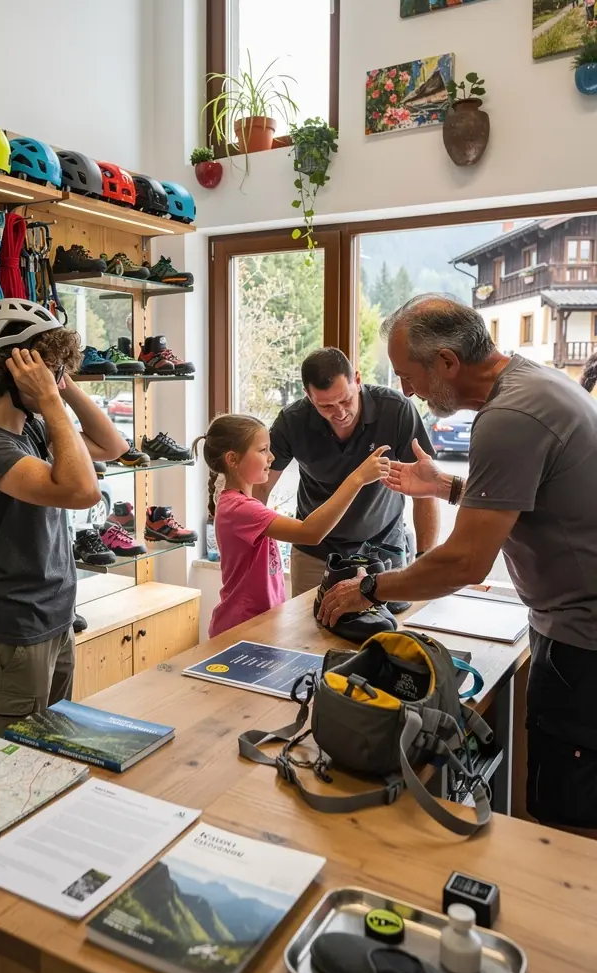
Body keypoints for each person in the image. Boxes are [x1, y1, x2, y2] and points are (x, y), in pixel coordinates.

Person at [318, 294, 597, 834]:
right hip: (573, 629)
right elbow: (532, 498)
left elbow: (467, 561)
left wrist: (368, 588)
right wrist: (446, 486)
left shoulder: (509, 416)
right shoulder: (533, 383)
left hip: (582, 644)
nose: (404, 390)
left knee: (569, 823)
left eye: (408, 375)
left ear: (446, 361)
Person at [0, 299, 127, 739]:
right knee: (6, 773)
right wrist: (48, 398)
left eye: (55, 368)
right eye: (46, 367)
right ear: (12, 371)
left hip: (54, 621)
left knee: (52, 756)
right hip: (10, 635)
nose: (53, 376)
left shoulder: (31, 429)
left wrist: (61, 385)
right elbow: (81, 492)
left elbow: (112, 445)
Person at [256, 348, 439, 601]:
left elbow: (426, 491)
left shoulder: (396, 410)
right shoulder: (292, 421)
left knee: (385, 633)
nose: (340, 413)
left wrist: (424, 560)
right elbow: (260, 487)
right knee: (307, 634)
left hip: (383, 548)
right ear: (308, 396)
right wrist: (250, 544)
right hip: (315, 552)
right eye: (326, 406)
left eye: (345, 400)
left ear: (358, 379)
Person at [195, 413, 390, 639]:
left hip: (259, 623)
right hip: (241, 627)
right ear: (232, 459)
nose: (271, 457)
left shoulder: (241, 504)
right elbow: (311, 532)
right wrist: (357, 479)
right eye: (262, 450)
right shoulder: (239, 509)